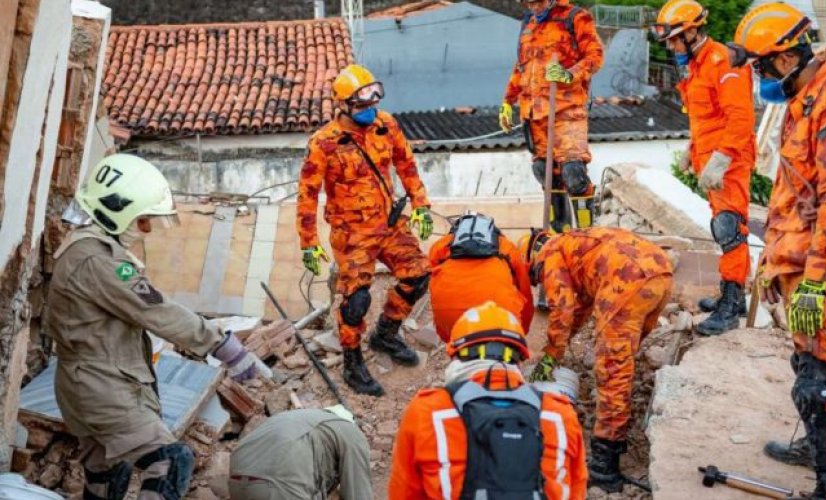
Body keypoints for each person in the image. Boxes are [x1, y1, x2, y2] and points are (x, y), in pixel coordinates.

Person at [45, 154, 263, 500]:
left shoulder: (85, 249)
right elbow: (156, 309)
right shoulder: (99, 260)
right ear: (117, 210)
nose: (146, 229)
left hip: (85, 383)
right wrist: (223, 345)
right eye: (143, 219)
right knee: (171, 462)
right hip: (102, 387)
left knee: (105, 477)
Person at [730, 4, 826, 498]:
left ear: (787, 58)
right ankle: (817, 447)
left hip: (822, 265)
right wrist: (774, 262)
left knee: (821, 375)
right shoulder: (803, 98)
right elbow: (795, 193)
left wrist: (813, 278)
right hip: (797, 259)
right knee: (805, 364)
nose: (759, 76)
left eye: (761, 65)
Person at [296, 64, 433, 397]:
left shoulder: (386, 126)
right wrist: (309, 244)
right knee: (356, 301)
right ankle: (352, 362)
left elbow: (407, 165)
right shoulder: (324, 143)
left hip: (389, 223)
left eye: (374, 102)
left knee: (418, 275)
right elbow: (308, 195)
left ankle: (386, 332)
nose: (370, 110)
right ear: (344, 105)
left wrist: (421, 205)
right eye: (362, 106)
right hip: (352, 234)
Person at [521, 227, 673, 492]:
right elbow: (579, 308)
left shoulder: (551, 254)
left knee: (612, 370)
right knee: (622, 357)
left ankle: (605, 463)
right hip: (659, 271)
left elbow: (562, 309)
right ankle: (618, 420)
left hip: (627, 279)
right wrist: (560, 346)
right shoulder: (573, 244)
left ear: (532, 259)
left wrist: (551, 356)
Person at [389, 301, 587, 499]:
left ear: (457, 354)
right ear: (519, 358)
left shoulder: (428, 412)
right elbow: (576, 491)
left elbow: (403, 492)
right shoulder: (560, 415)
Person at [651, 0, 756, 336]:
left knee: (730, 230)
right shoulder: (698, 64)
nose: (671, 47)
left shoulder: (723, 61)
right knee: (723, 229)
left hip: (730, 161)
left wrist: (722, 158)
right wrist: (692, 149)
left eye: (674, 39)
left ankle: (731, 306)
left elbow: (740, 117)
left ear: (693, 31)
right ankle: (732, 293)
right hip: (711, 159)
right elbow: (706, 118)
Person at [500, 0, 604, 232]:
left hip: (566, 111)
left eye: (536, 2)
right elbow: (521, 68)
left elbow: (595, 57)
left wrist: (569, 74)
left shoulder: (575, 18)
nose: (532, 7)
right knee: (544, 172)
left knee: (573, 173)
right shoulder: (528, 23)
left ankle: (587, 234)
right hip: (534, 114)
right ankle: (560, 232)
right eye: (527, 2)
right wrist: (507, 101)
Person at [428, 211, 534, 341]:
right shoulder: (506, 246)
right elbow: (525, 290)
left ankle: (455, 345)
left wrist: (446, 336)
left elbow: (432, 278)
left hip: (450, 322)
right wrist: (521, 332)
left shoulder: (440, 245)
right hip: (499, 319)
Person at [229, 405, 372, 500]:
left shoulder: (300, 418)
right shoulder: (350, 431)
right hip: (278, 484)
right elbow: (358, 494)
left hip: (236, 482)